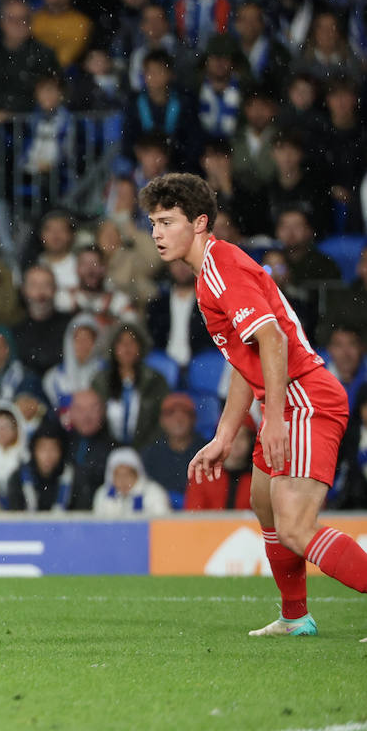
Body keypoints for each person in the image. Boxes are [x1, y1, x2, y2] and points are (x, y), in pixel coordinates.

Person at [144, 171, 367, 639]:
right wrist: (224, 436)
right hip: (287, 398)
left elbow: (272, 341)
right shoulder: (208, 277)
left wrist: (278, 419)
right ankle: (295, 617)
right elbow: (248, 362)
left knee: (296, 528)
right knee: (263, 504)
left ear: (200, 222)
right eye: (153, 224)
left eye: (167, 221)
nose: (157, 233)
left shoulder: (224, 268)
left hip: (303, 398)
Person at [92, 447, 172, 517]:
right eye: (118, 475)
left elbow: (162, 523)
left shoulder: (154, 493)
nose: (123, 481)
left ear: (138, 474)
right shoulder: (103, 494)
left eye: (128, 475)